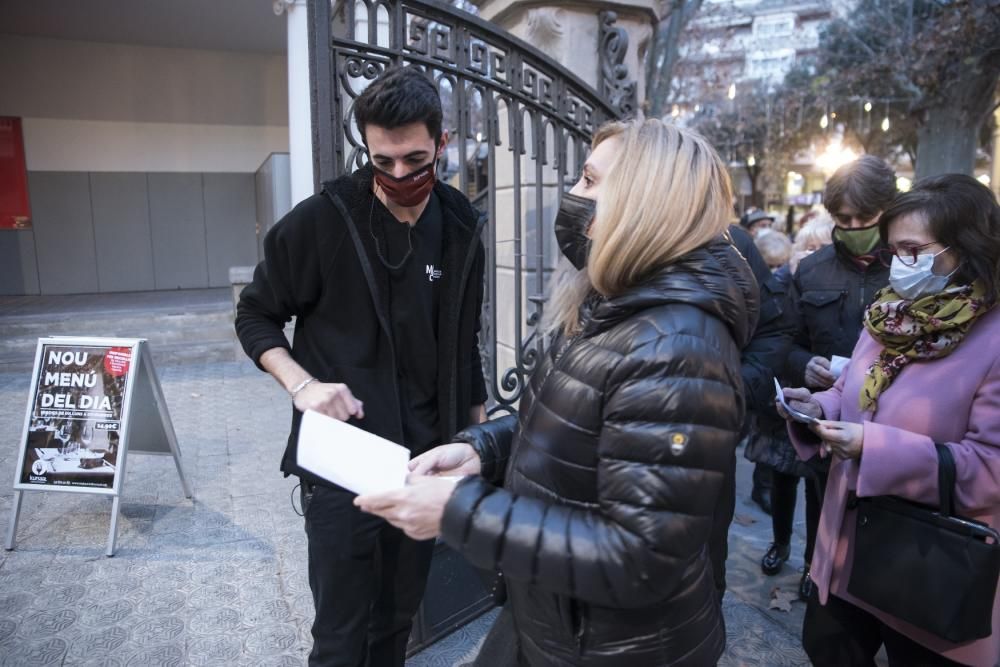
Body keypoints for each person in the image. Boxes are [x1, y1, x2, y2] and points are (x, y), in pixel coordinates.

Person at [355, 118, 759, 665]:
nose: (573, 195)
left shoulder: (676, 347)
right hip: (550, 614)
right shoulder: (614, 304)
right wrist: (483, 451)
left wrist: (460, 512)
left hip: (612, 646)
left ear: (644, 203)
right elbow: (579, 419)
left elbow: (640, 558)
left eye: (590, 181)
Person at [234, 66, 488, 667]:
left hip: (424, 460)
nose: (399, 174)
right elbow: (256, 317)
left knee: (397, 623)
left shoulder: (460, 225)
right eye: (384, 161)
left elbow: (465, 342)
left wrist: (476, 445)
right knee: (340, 637)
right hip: (340, 464)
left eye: (415, 159)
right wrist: (303, 386)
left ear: (442, 144)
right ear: (367, 149)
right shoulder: (322, 220)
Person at [777, 174, 1000, 666]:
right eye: (895, 250)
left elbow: (989, 470)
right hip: (842, 552)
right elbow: (849, 391)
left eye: (913, 250)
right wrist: (818, 408)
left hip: (925, 568)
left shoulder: (993, 338)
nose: (900, 264)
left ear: (966, 248)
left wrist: (873, 448)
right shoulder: (889, 317)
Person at [781, 156, 895, 597]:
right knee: (821, 505)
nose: (853, 226)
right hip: (827, 419)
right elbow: (785, 341)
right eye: (842, 218)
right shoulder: (811, 270)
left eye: (864, 217)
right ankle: (817, 574)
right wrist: (800, 363)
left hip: (891, 424)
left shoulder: (913, 270)